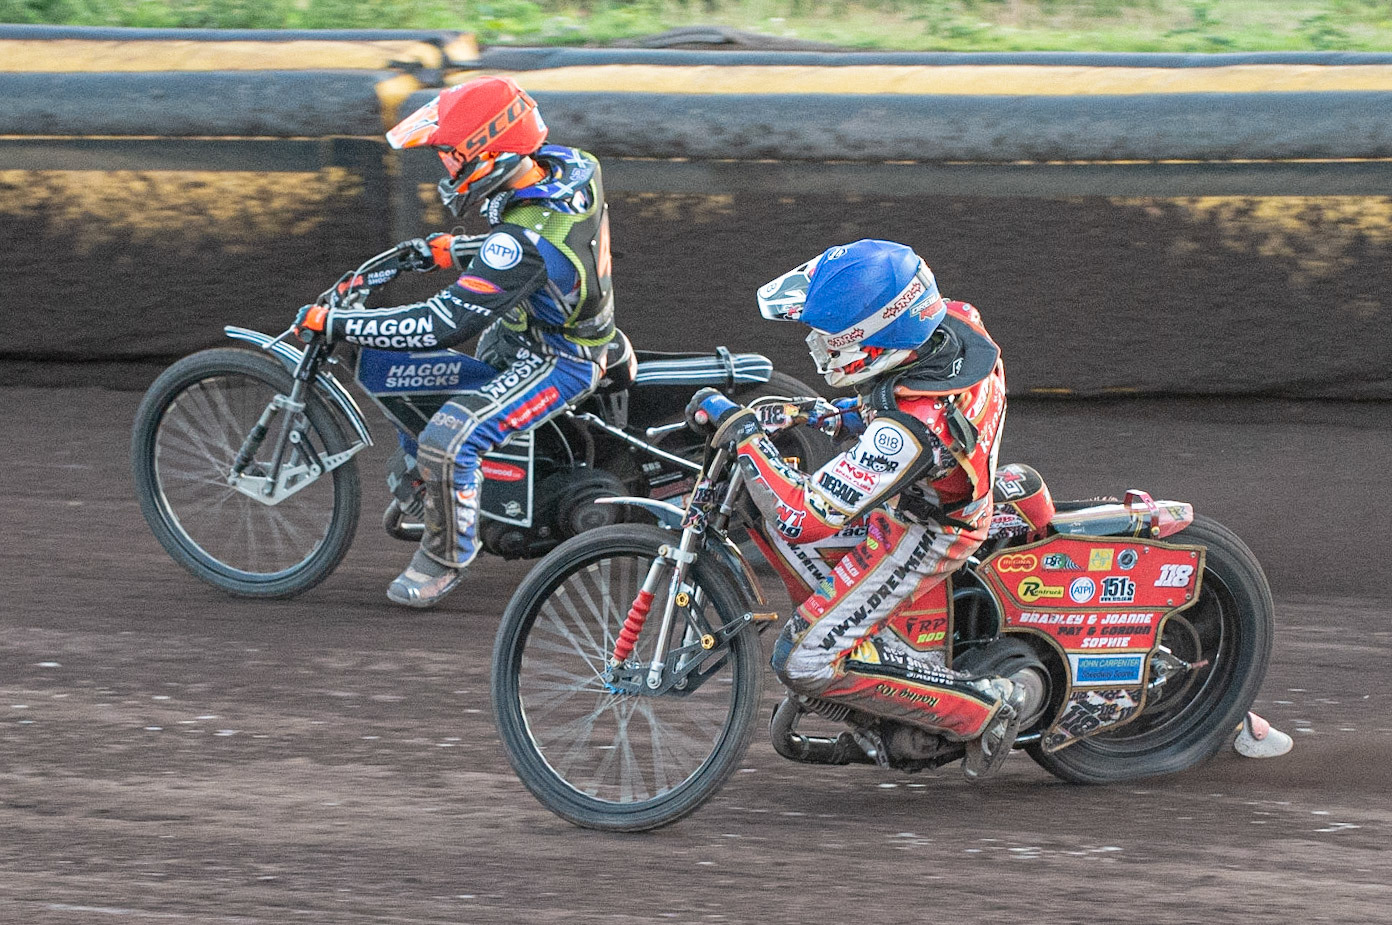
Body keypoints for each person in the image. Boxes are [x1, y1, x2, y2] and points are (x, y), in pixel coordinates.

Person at [685, 239, 1026, 780]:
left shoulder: (907, 433)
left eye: (830, 335)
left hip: (925, 531)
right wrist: (822, 413)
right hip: (933, 482)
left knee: (802, 660)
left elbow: (803, 516)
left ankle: (982, 707)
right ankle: (866, 653)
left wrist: (747, 436)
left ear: (875, 336)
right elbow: (899, 389)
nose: (818, 345)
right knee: (770, 505)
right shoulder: (953, 324)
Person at [294, 76, 616, 608]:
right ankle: (461, 491)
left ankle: (444, 560)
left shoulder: (522, 239)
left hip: (559, 357)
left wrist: (340, 324)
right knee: (425, 387)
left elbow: (441, 323)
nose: (446, 166)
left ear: (491, 151)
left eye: (452, 154)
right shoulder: (572, 166)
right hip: (527, 326)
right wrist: (458, 249)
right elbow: (542, 246)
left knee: (448, 438)